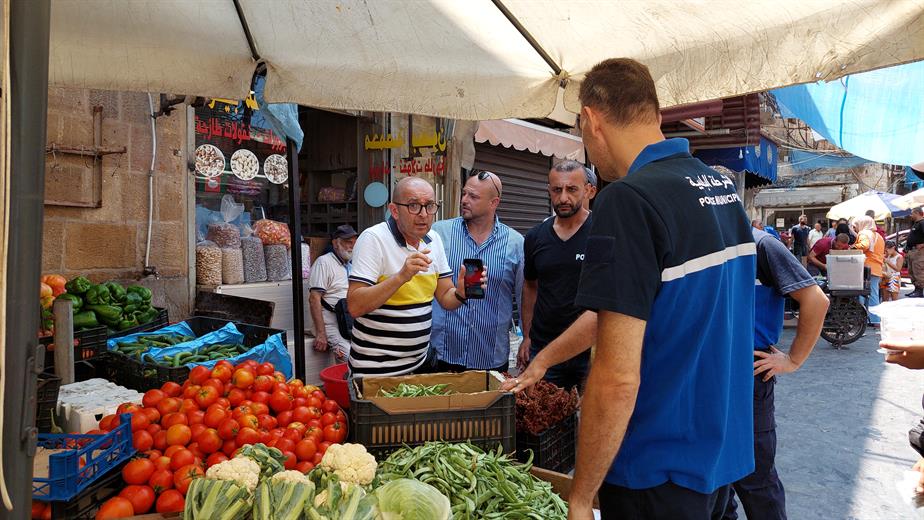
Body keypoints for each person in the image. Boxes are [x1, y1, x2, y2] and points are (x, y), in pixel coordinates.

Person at [565, 57, 756, 520]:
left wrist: (581, 496)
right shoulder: (722, 188)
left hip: (653, 471)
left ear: (591, 119)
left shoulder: (627, 200)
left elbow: (617, 376)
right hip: (718, 459)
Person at [723, 227, 829, 520]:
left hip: (750, 372)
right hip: (707, 372)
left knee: (756, 479)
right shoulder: (697, 240)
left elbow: (816, 301)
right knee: (716, 481)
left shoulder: (761, 245)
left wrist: (793, 360)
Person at [346, 177, 485, 377]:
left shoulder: (433, 240)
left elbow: (445, 296)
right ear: (394, 210)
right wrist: (401, 276)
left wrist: (461, 293)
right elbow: (355, 306)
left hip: (420, 364)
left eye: (429, 206)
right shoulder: (373, 239)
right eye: (413, 206)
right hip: (375, 371)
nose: (423, 214)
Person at [429, 170, 524, 372]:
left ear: (494, 202)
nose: (464, 200)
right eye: (464, 193)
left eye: (473, 196)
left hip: (490, 356)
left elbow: (524, 296)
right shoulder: (439, 233)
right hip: (444, 352)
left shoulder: (515, 243)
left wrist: (528, 337)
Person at [517, 160, 596, 390]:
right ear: (549, 191)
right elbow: (530, 286)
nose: (563, 198)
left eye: (572, 189)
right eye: (556, 189)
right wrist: (527, 336)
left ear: (589, 190)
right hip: (545, 350)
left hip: (588, 350)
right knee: (546, 421)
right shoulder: (535, 237)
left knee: (587, 422)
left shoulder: (602, 233)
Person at [308, 224, 358, 361]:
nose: (352, 246)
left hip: (350, 323)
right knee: (348, 358)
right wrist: (321, 333)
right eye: (348, 242)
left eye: (354, 242)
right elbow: (314, 299)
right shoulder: (324, 262)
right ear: (336, 243)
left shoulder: (352, 264)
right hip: (330, 325)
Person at [852, 215, 885, 325]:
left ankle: (864, 318)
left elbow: (864, 245)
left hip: (865, 269)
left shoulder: (864, 233)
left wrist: (852, 247)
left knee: (861, 293)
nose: (855, 229)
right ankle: (874, 319)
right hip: (876, 268)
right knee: (873, 293)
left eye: (855, 226)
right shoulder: (878, 236)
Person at [906, 207, 924, 298]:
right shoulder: (915, 224)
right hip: (912, 250)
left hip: (919, 252)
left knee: (918, 270)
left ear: (917, 213)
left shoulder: (922, 223)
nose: (911, 215)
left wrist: (922, 245)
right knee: (912, 271)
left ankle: (920, 290)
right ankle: (916, 289)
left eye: (912, 213)